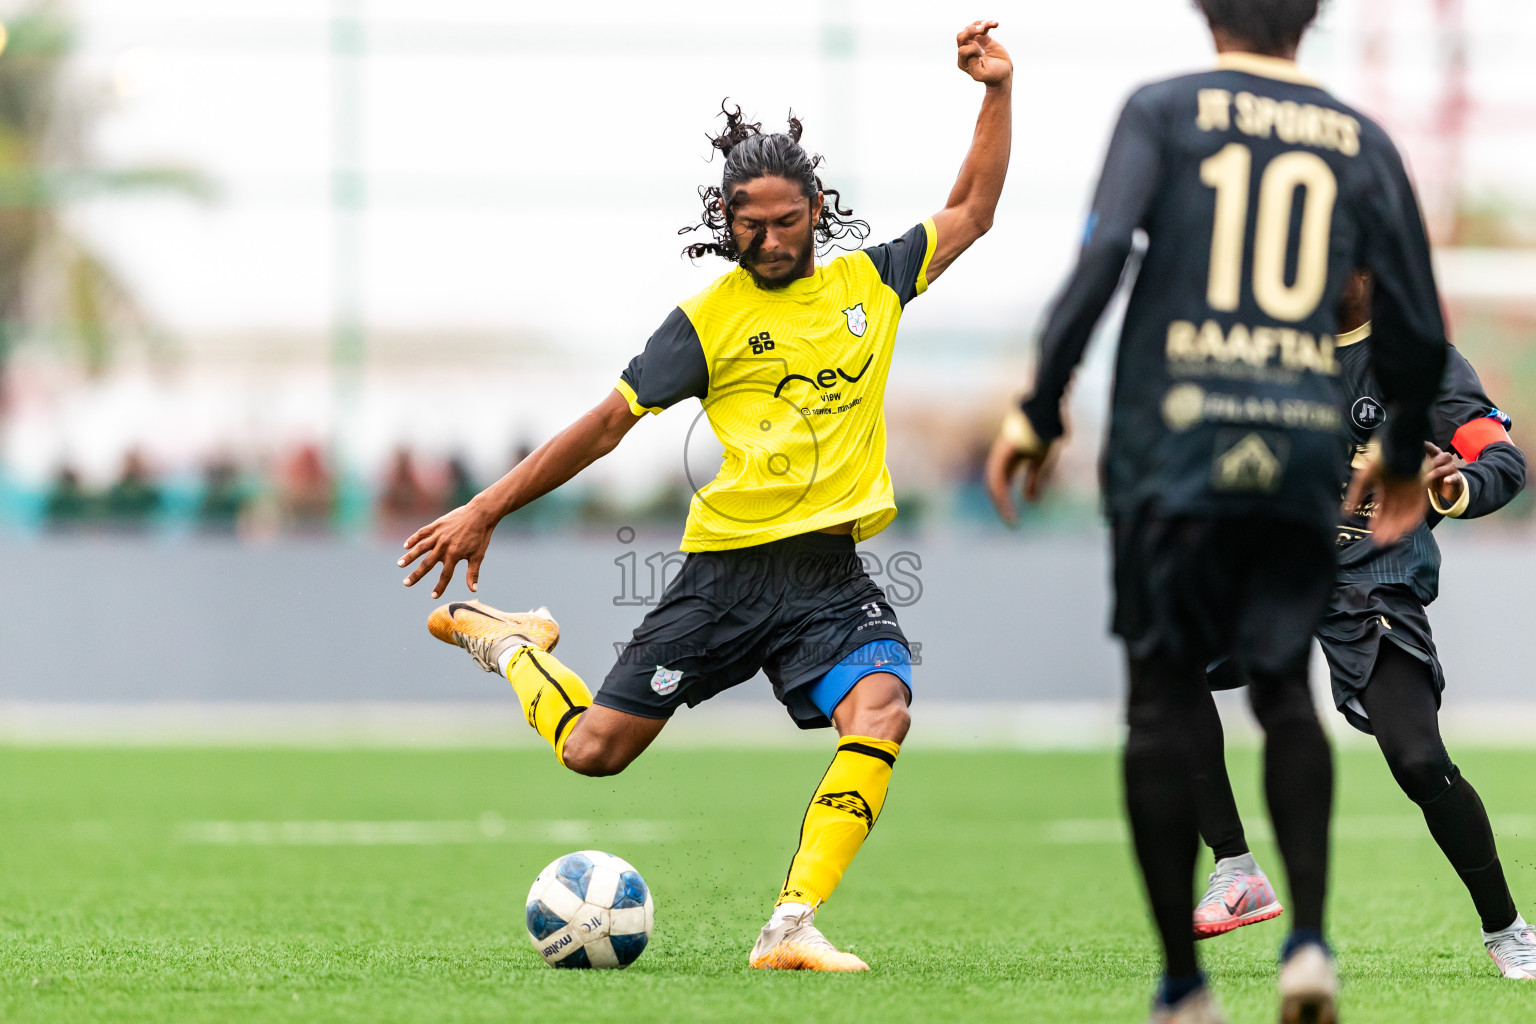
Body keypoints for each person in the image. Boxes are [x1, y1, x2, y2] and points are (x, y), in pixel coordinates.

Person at [398, 21, 1013, 971]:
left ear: (817, 206)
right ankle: (512, 644)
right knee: (594, 752)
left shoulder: (875, 284)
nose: (765, 240)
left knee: (882, 707)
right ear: (725, 220)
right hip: (723, 580)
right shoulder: (706, 322)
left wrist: (995, 92)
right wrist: (486, 507)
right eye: (747, 224)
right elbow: (604, 424)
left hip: (827, 578)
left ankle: (792, 924)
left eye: (784, 220)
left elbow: (972, 209)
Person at [984, 2, 1449, 1021]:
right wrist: (1404, 448)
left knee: (1161, 699)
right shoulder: (1362, 142)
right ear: (1313, 17)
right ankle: (1310, 944)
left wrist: (1039, 403)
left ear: (1205, 11)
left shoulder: (1161, 111)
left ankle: (1185, 986)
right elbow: (1418, 316)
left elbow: (1102, 262)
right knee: (1285, 691)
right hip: (1292, 451)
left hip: (1176, 449)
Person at [1187, 270, 1533, 978]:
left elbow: (1500, 457)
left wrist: (1453, 485)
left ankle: (1507, 929)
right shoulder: (1268, 351)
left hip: (1373, 575)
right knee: (1169, 664)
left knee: (1418, 760)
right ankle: (1237, 867)